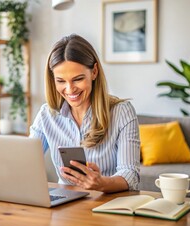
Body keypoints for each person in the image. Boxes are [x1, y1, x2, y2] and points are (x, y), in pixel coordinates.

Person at [29, 34, 140, 193]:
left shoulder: (122, 112)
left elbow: (131, 174)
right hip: (65, 204)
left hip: (109, 204)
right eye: (61, 81)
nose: (69, 89)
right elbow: (26, 160)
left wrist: (102, 183)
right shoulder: (47, 115)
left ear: (94, 72)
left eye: (78, 79)